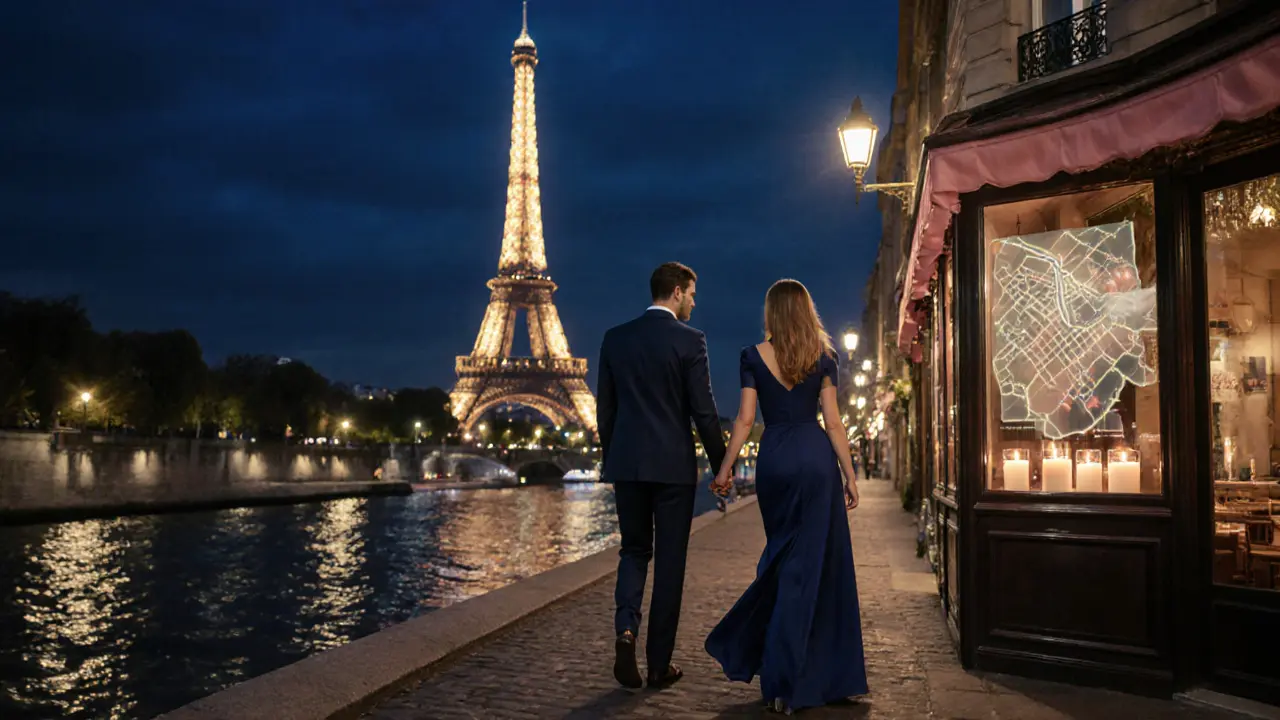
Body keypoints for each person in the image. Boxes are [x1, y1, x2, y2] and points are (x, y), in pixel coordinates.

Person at [705, 278, 868, 713]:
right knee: (821, 567)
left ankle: (780, 682)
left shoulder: (751, 357)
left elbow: (743, 420)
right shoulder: (825, 357)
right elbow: (833, 423)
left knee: (782, 563)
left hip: (774, 460)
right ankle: (824, 676)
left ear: (771, 313)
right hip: (816, 461)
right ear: (806, 311)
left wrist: (723, 470)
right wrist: (850, 475)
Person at [596, 261, 728, 689]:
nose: (694, 300)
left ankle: (625, 630)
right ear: (675, 291)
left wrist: (613, 456)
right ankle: (658, 665)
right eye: (691, 292)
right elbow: (704, 413)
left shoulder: (615, 339)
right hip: (673, 468)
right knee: (670, 564)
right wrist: (722, 465)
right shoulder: (691, 341)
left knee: (633, 551)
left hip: (628, 465)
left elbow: (606, 413)